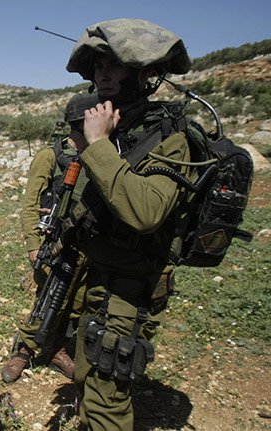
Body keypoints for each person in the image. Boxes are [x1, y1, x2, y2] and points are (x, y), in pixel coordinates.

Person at [65, 19, 193, 430]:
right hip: (96, 275)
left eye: (114, 64)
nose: (103, 73)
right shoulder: (119, 129)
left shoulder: (172, 138)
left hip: (130, 288)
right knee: (86, 378)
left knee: (107, 400)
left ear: (144, 73)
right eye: (98, 65)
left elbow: (146, 211)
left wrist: (99, 145)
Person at [1, 93, 97, 384]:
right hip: (58, 243)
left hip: (90, 243)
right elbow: (31, 204)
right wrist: (33, 245)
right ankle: (24, 350)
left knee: (77, 303)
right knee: (50, 297)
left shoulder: (101, 155)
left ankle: (57, 349)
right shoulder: (51, 156)